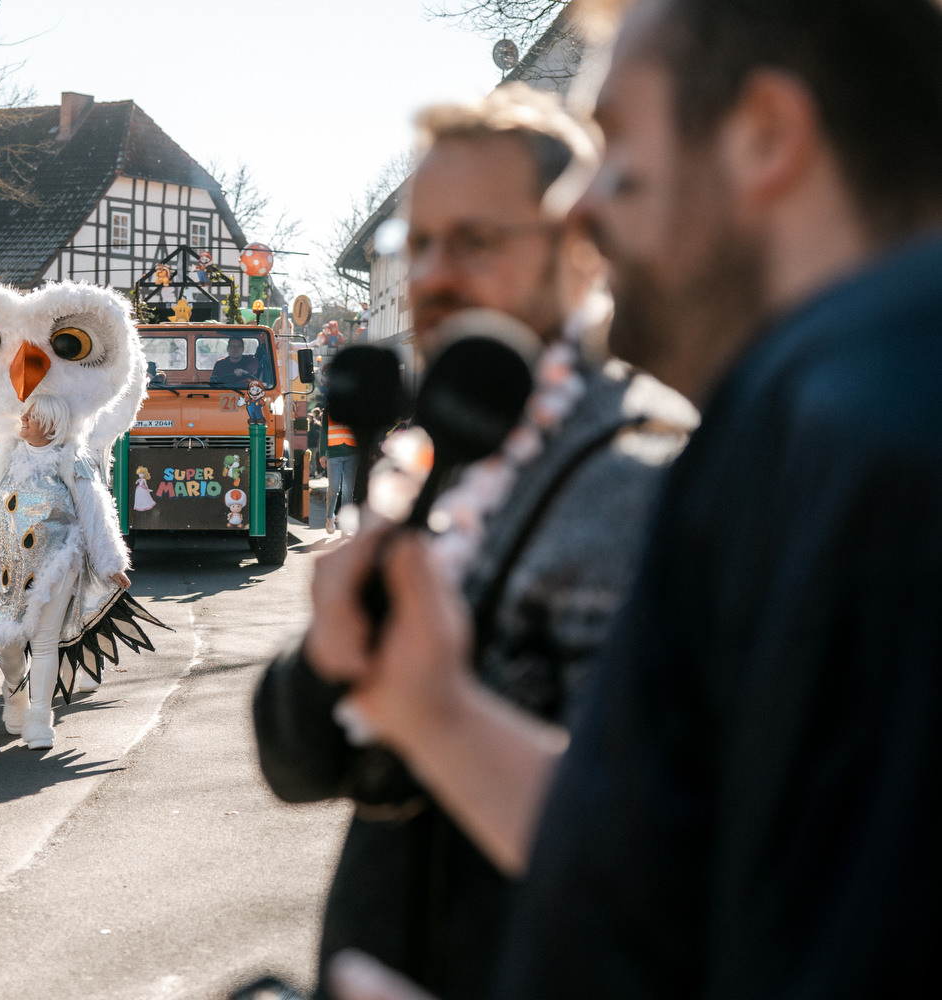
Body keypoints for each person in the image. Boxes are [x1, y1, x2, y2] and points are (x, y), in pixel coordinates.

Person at [314, 1, 942, 998]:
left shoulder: (874, 449)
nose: (578, 210)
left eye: (617, 142)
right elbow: (688, 888)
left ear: (766, 135)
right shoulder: (806, 424)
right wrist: (429, 708)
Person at [253, 83, 693, 1000]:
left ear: (581, 252)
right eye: (417, 244)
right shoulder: (435, 457)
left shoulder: (642, 479)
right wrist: (322, 666)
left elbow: (659, 858)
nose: (433, 273)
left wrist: (448, 711)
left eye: (477, 240)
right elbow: (300, 769)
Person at [0, 394, 133, 751]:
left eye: (33, 414)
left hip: (58, 566)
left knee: (43, 642)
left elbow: (94, 512)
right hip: (4, 565)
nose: (23, 418)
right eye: (25, 413)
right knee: (7, 642)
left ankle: (40, 720)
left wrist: (111, 562)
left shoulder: (75, 461)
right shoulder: (5, 457)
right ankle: (14, 695)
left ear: (52, 423)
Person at [317, 406, 358, 535]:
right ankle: (330, 518)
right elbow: (324, 432)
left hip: (352, 453)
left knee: (348, 490)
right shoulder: (330, 408)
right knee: (334, 488)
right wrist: (322, 453)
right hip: (333, 454)